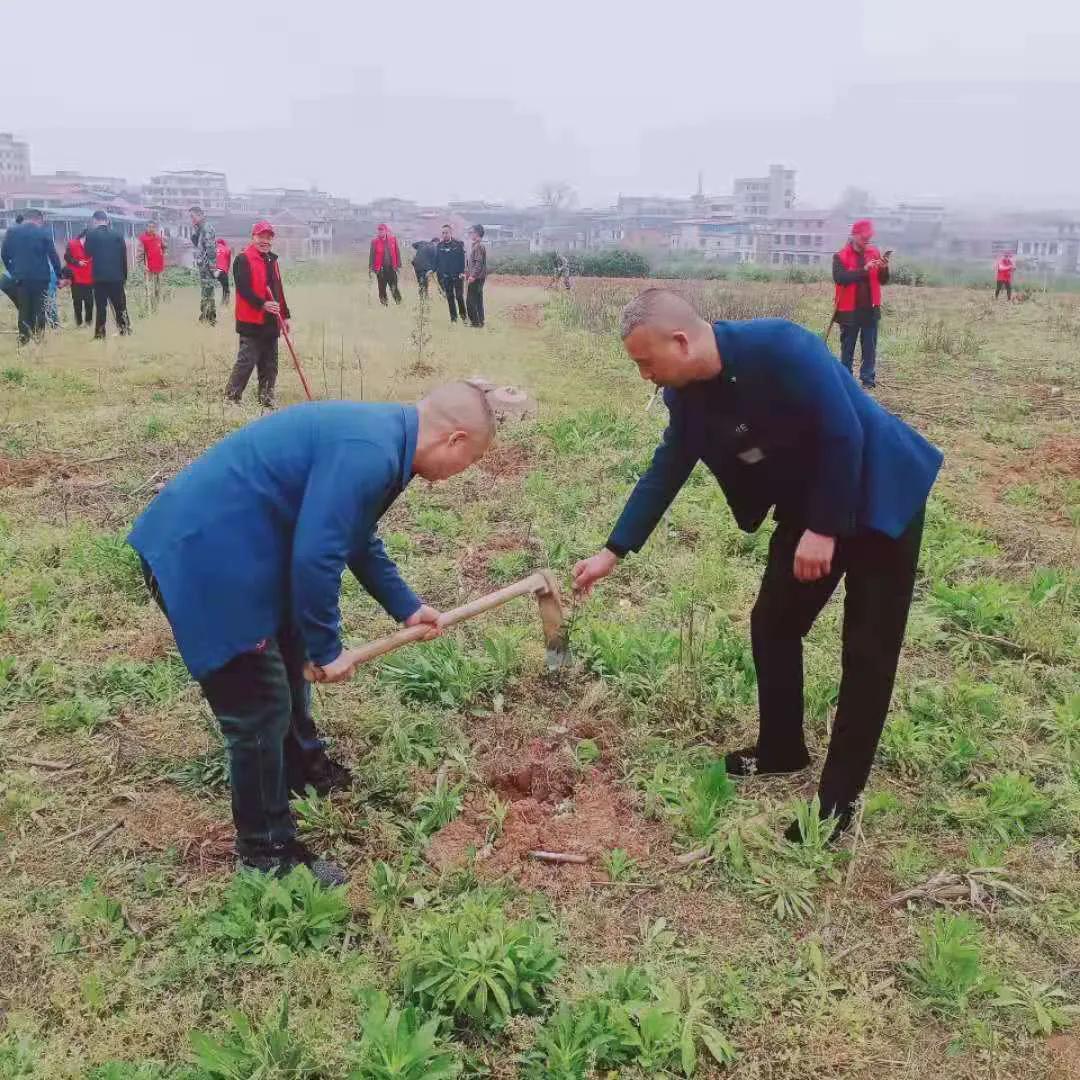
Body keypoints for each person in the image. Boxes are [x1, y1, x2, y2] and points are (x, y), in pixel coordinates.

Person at [572, 289, 943, 843]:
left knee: (867, 650)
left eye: (645, 362)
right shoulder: (688, 397)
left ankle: (836, 804)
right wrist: (613, 550)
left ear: (680, 340)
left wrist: (823, 529)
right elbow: (667, 466)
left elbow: (846, 432)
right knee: (773, 623)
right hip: (810, 501)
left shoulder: (782, 345)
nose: (644, 375)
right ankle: (781, 749)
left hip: (880, 490)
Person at [128, 383, 496, 883]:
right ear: (454, 439)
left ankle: (302, 768)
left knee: (290, 650)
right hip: (203, 554)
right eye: (468, 462)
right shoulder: (373, 452)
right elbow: (316, 556)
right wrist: (329, 648)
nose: (459, 475)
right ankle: (266, 852)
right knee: (259, 704)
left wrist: (408, 609)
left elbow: (355, 537)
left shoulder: (384, 439)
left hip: (243, 547)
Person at [225, 221, 290, 408]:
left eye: (269, 237)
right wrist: (263, 304)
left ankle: (266, 398)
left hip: (271, 321)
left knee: (270, 363)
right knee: (246, 362)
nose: (265, 241)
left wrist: (284, 315)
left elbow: (278, 290)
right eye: (261, 236)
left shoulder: (273, 260)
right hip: (251, 320)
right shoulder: (243, 259)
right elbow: (243, 289)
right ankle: (231, 398)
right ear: (253, 237)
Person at [832, 219, 889, 390]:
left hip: (870, 308)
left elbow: (883, 280)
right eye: (864, 237)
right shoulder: (840, 256)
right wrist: (864, 269)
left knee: (870, 346)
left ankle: (868, 379)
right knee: (848, 347)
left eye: (869, 237)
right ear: (854, 236)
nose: (867, 240)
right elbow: (840, 278)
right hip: (848, 310)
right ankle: (846, 380)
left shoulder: (874, 252)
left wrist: (884, 267)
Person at [0, 208, 64, 343]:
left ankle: (24, 339)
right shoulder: (43, 233)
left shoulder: (12, 232)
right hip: (40, 278)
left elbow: (4, 254)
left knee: (24, 308)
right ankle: (38, 339)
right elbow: (53, 256)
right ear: (38, 219)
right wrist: (59, 276)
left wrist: (13, 271)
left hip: (21, 278)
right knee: (39, 309)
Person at [83, 210, 131, 338]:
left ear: (94, 220)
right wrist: (124, 277)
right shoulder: (118, 234)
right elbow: (123, 257)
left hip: (99, 278)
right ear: (107, 220)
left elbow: (87, 254)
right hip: (117, 277)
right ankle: (125, 330)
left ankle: (100, 334)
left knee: (101, 307)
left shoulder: (91, 234)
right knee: (120, 306)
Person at [189, 206, 217, 325]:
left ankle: (209, 317)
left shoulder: (207, 227)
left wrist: (211, 266)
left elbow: (210, 248)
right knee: (206, 290)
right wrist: (195, 231)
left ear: (199, 215)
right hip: (204, 265)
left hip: (207, 265)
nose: (191, 220)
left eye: (192, 217)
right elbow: (196, 243)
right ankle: (207, 315)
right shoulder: (200, 228)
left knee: (208, 291)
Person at [435, 224, 466, 323]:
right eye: (443, 233)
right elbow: (437, 261)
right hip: (446, 276)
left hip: (457, 275)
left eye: (446, 233)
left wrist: (462, 272)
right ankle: (454, 318)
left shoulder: (458, 244)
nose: (444, 235)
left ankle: (463, 316)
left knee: (459, 296)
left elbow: (462, 260)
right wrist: (432, 269)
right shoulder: (439, 246)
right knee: (449, 297)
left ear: (451, 233)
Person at [65, 229, 95, 327]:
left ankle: (88, 321)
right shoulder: (72, 244)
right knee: (77, 301)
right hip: (76, 277)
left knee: (89, 301)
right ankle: (78, 322)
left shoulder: (92, 246)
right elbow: (67, 257)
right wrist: (77, 262)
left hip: (89, 277)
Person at [369, 223, 402, 306]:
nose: (381, 232)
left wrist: (398, 265)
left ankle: (399, 303)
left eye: (382, 231)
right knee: (382, 289)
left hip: (391, 268)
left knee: (394, 287)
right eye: (379, 231)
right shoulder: (374, 242)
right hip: (381, 269)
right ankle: (384, 305)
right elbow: (372, 256)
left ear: (386, 231)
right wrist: (371, 269)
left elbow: (397, 252)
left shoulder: (393, 240)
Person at [137, 222, 167, 310]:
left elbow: (164, 247)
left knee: (157, 289)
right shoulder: (143, 238)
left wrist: (163, 250)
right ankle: (148, 308)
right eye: (149, 227)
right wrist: (143, 266)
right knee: (149, 289)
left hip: (159, 268)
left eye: (153, 227)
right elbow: (139, 254)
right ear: (146, 227)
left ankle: (156, 307)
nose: (151, 229)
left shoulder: (158, 237)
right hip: (149, 269)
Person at [465, 224, 487, 328]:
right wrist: (466, 274)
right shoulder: (477, 245)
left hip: (477, 279)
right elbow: (473, 264)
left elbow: (478, 263)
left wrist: (472, 276)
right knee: (478, 301)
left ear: (477, 233)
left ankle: (475, 323)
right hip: (478, 278)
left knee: (470, 301)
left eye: (472, 232)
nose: (470, 234)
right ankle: (480, 322)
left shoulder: (478, 246)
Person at [215, 237, 232, 302]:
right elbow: (228, 262)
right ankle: (225, 303)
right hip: (222, 271)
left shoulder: (213, 249)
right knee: (226, 289)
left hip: (214, 271)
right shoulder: (227, 249)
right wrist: (226, 272)